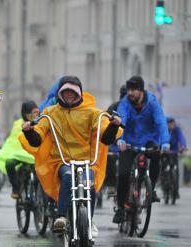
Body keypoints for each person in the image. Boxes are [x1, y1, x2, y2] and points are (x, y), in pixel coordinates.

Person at [20, 75, 122, 236]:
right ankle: (61, 217)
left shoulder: (92, 113)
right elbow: (38, 136)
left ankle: (88, 221)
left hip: (87, 161)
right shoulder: (50, 113)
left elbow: (105, 136)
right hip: (61, 161)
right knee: (68, 176)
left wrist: (113, 126)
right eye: (65, 91)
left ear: (79, 93)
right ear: (60, 93)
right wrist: (29, 131)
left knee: (90, 185)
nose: (68, 95)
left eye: (72, 92)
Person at [113, 76, 170, 223]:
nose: (129, 93)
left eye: (133, 90)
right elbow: (121, 119)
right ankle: (120, 208)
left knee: (157, 155)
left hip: (149, 139)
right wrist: (120, 139)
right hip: (129, 142)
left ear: (141, 90)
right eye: (128, 90)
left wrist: (165, 142)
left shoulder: (152, 103)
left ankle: (152, 188)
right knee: (124, 174)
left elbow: (161, 122)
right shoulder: (125, 103)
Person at [0, 101, 39, 199]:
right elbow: (12, 141)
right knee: (9, 163)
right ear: (25, 114)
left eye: (36, 112)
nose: (35, 115)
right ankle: (16, 189)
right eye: (32, 113)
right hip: (17, 154)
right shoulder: (18, 124)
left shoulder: (41, 122)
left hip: (34, 154)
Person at [164, 117, 187, 198]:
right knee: (163, 167)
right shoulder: (164, 129)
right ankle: (164, 183)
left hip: (174, 151)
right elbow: (160, 139)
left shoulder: (177, 129)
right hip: (164, 151)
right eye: (170, 124)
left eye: (173, 123)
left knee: (175, 170)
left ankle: (175, 190)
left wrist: (183, 146)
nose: (172, 125)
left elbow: (181, 138)